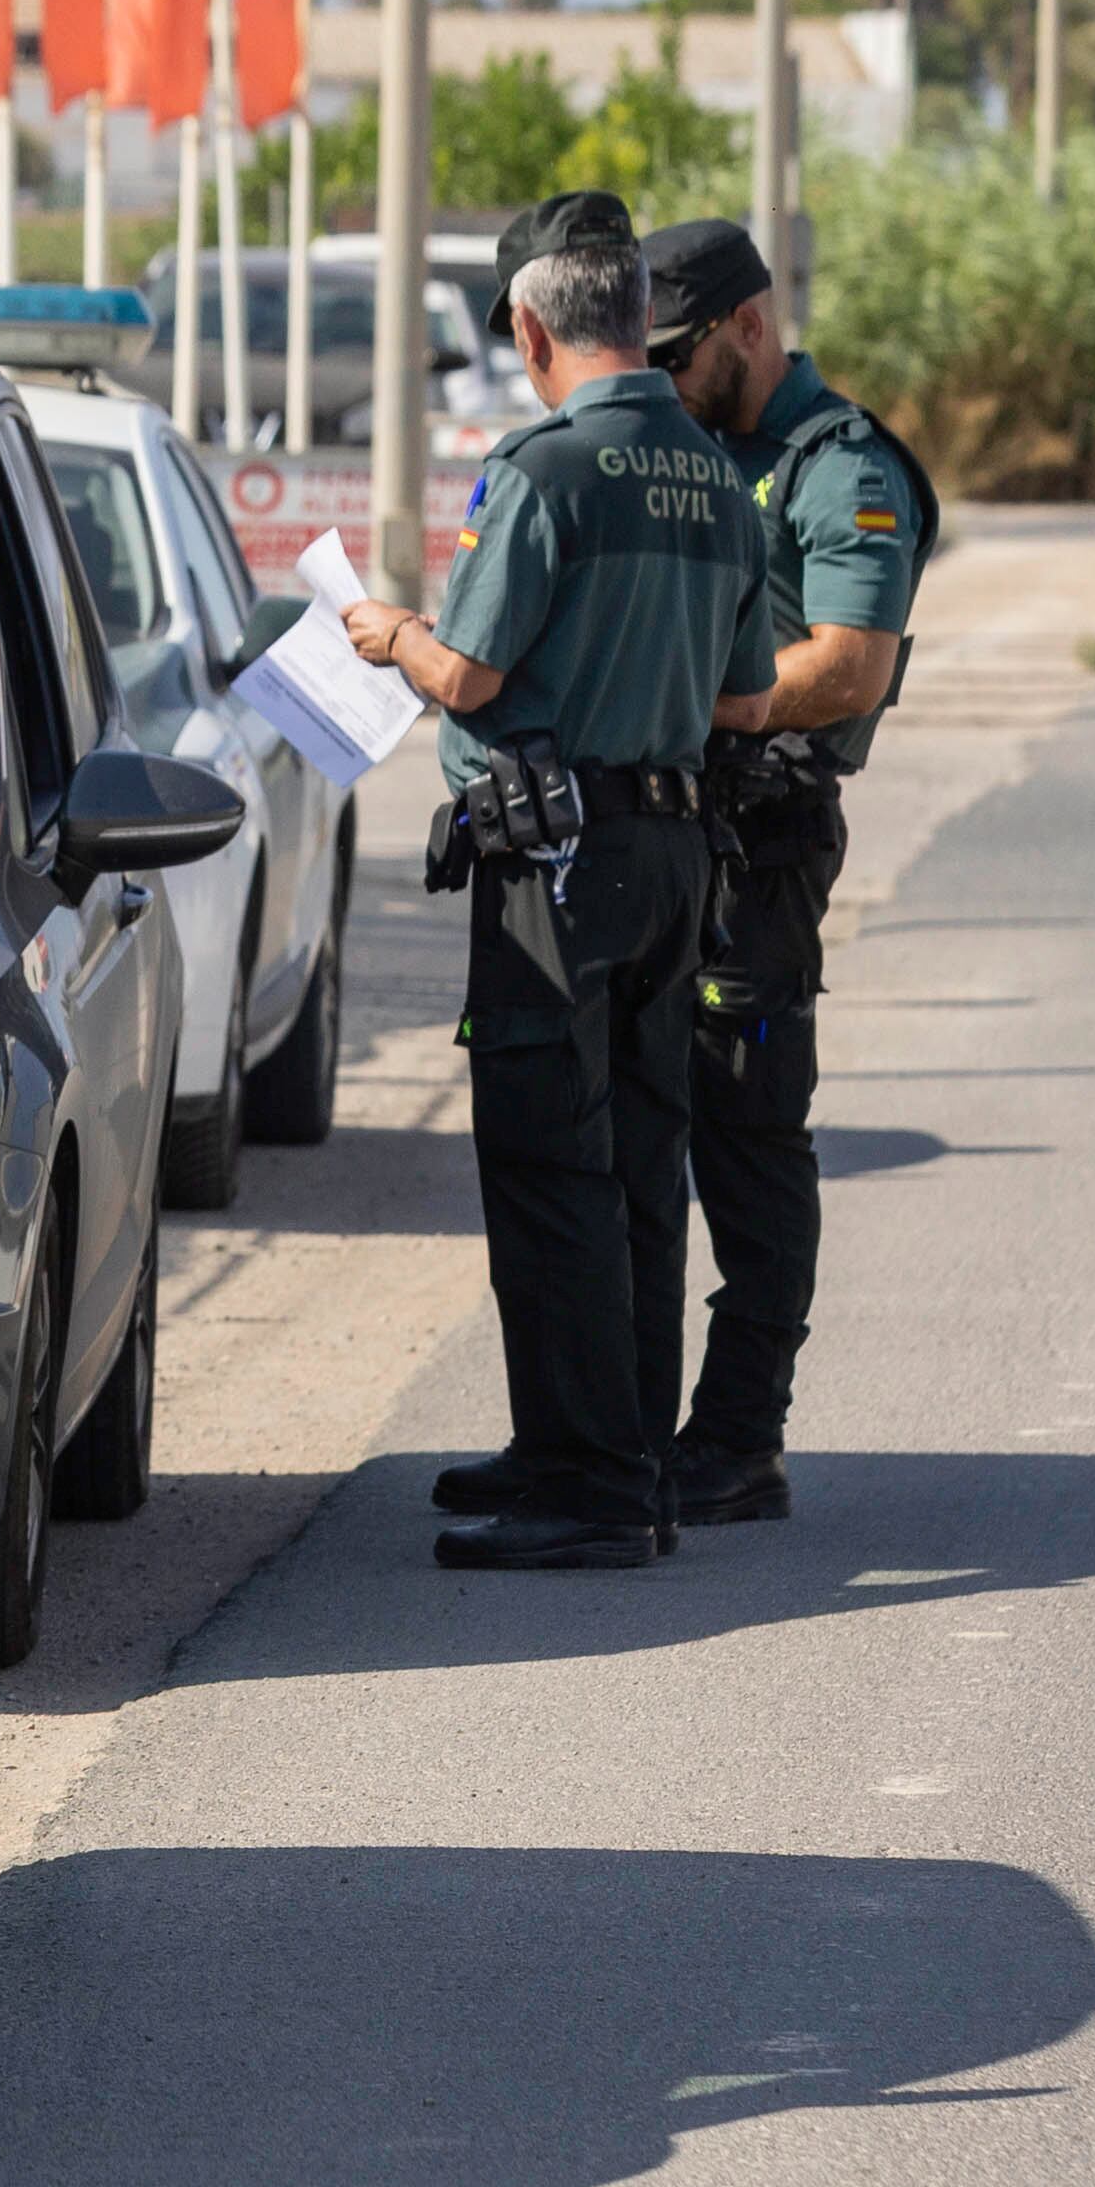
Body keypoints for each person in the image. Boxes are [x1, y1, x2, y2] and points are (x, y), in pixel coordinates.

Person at [343, 192, 777, 1569]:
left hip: (555, 862)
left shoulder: (541, 472)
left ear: (532, 329)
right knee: (645, 1158)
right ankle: (608, 1450)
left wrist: (390, 632)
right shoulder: (718, 478)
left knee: (544, 1160)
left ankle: (586, 1484)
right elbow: (745, 692)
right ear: (641, 322)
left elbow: (466, 676)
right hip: (672, 852)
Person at [634, 217, 937, 1520]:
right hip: (659, 826)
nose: (660, 373)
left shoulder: (841, 467)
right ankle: (624, 1431)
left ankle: (740, 1435)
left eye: (679, 349)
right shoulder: (678, 445)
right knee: (641, 1127)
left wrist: (704, 703)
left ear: (747, 327)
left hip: (763, 838)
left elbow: (848, 664)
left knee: (749, 1135)